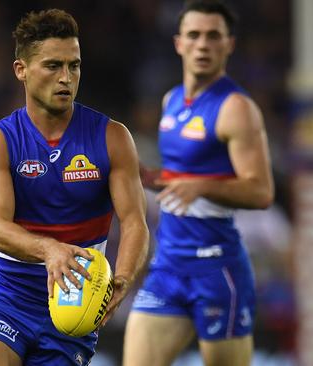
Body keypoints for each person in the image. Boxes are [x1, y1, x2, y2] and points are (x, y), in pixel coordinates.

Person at [0, 8, 149, 366]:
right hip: (10, 296)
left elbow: (135, 221)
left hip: (73, 303)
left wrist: (121, 278)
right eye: (52, 66)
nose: (66, 77)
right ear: (22, 70)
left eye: (73, 65)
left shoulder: (112, 138)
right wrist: (49, 250)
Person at [123, 1, 274, 365]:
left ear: (229, 44)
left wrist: (200, 185)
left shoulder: (235, 108)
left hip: (217, 269)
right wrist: (151, 179)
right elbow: (182, 180)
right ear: (178, 43)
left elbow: (261, 191)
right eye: (194, 35)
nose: (202, 45)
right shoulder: (171, 101)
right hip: (169, 265)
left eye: (213, 36)